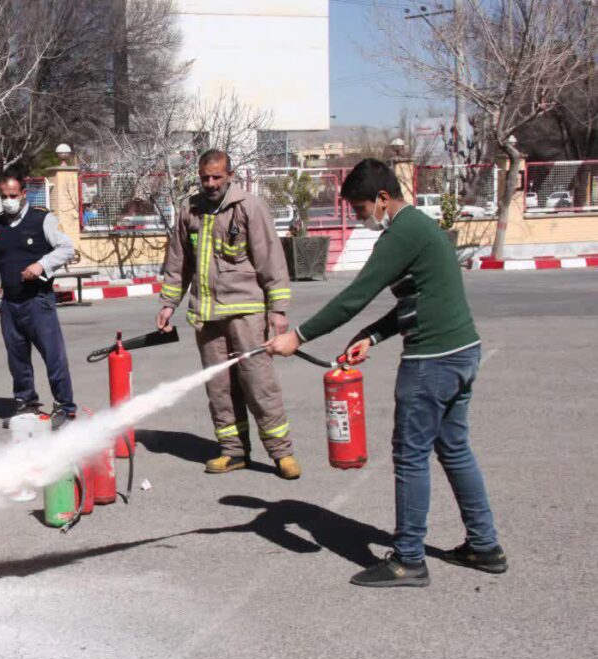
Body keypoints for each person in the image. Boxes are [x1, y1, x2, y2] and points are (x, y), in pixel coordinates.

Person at [266, 158, 506, 588]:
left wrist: (297, 337)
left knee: (411, 457)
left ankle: (409, 559)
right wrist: (373, 337)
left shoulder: (401, 233)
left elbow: (355, 296)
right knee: (454, 449)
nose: (360, 219)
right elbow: (419, 298)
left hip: (432, 362)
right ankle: (485, 546)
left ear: (382, 199)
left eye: (360, 210)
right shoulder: (419, 228)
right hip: (461, 352)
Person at [156, 149, 300, 480]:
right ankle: (234, 451)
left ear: (230, 175)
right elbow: (178, 262)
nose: (210, 183)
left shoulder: (249, 207)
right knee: (219, 388)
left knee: (259, 383)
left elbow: (271, 260)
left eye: (217, 177)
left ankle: (282, 453)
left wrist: (278, 311)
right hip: (207, 316)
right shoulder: (189, 210)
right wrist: (168, 303)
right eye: (205, 177)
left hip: (247, 312)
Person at [0, 169, 78, 432]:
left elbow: (67, 249)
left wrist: (42, 265)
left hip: (38, 302)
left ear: (23, 194)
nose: (8, 200)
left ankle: (65, 407)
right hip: (10, 304)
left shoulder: (42, 219)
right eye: (3, 195)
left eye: (13, 195)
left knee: (53, 356)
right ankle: (26, 403)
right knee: (17, 358)